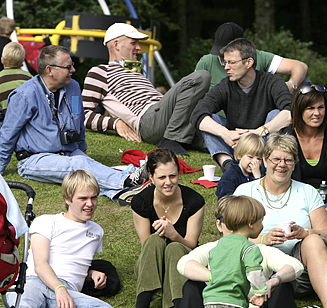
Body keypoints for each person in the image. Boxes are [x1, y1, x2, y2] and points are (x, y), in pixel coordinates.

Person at [233, 133, 327, 308]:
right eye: (276, 159)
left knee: (314, 240)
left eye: (288, 160)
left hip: (300, 274)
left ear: (295, 163)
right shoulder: (246, 192)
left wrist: (305, 232)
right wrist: (264, 239)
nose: (282, 165)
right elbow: (229, 239)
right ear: (264, 160)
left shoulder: (307, 192)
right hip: (257, 272)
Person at [0, 45, 148, 202]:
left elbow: (79, 119)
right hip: (35, 159)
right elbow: (7, 135)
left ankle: (121, 194)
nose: (73, 70)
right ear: (50, 70)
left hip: (70, 151)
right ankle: (128, 181)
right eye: (68, 66)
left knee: (87, 165)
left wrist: (82, 147)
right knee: (79, 164)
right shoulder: (24, 95)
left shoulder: (74, 87)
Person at [175, 196, 306, 308]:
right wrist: (215, 276)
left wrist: (273, 281)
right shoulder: (214, 248)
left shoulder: (257, 249)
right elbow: (184, 264)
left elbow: (295, 266)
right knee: (192, 285)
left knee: (282, 285)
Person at [10, 170, 116, 308]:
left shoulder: (97, 232)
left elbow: (73, 263)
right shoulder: (46, 221)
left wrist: (90, 274)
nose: (90, 204)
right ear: (67, 199)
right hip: (34, 282)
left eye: (93, 197)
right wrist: (60, 289)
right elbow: (40, 264)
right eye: (83, 198)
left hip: (68, 290)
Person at [83, 23, 211, 156]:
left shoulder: (138, 74)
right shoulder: (100, 72)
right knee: (201, 77)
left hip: (170, 119)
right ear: (116, 44)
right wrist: (115, 123)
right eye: (133, 43)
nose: (138, 48)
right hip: (148, 120)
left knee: (219, 137)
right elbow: (83, 115)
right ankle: (171, 140)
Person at [123, 149, 205, 308]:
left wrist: (174, 235)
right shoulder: (140, 202)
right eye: (161, 178)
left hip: (185, 263)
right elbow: (147, 249)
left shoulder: (194, 201)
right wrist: (162, 234)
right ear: (151, 177)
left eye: (173, 176)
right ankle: (142, 306)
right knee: (154, 240)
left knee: (175, 247)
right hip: (153, 266)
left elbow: (191, 245)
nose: (168, 182)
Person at [190, 38, 292, 170]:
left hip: (263, 146)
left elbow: (291, 111)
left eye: (231, 62)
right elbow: (197, 113)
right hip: (235, 147)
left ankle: (264, 166)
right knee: (210, 119)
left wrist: (259, 132)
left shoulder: (272, 82)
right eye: (225, 63)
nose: (226, 67)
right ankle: (228, 166)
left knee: (276, 114)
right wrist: (225, 133)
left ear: (249, 62)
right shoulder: (225, 86)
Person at [202, 195, 270, 308]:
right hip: (229, 304)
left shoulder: (219, 245)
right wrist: (261, 292)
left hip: (212, 302)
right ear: (250, 223)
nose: (263, 226)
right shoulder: (249, 248)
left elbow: (221, 272)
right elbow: (254, 273)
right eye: (261, 221)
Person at [280, 82, 327, 232]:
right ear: (299, 110)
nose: (317, 113)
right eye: (310, 108)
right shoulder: (285, 137)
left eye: (321, 107)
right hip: (295, 201)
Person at [195, 21, 308, 91]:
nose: (224, 59)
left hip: (258, 121)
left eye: (232, 60)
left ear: (249, 62)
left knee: (305, 83)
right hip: (220, 122)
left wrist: (292, 84)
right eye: (220, 53)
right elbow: (191, 93)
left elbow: (300, 66)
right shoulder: (206, 62)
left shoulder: (259, 56)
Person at [216, 132, 264, 198]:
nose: (254, 162)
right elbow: (225, 201)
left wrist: (258, 178)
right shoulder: (229, 177)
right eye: (250, 157)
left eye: (259, 159)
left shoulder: (260, 175)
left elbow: (264, 197)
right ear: (239, 155)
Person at [0, 42, 32, 110]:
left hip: (5, 118)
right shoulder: (30, 78)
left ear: (2, 60)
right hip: (26, 117)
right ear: (21, 63)